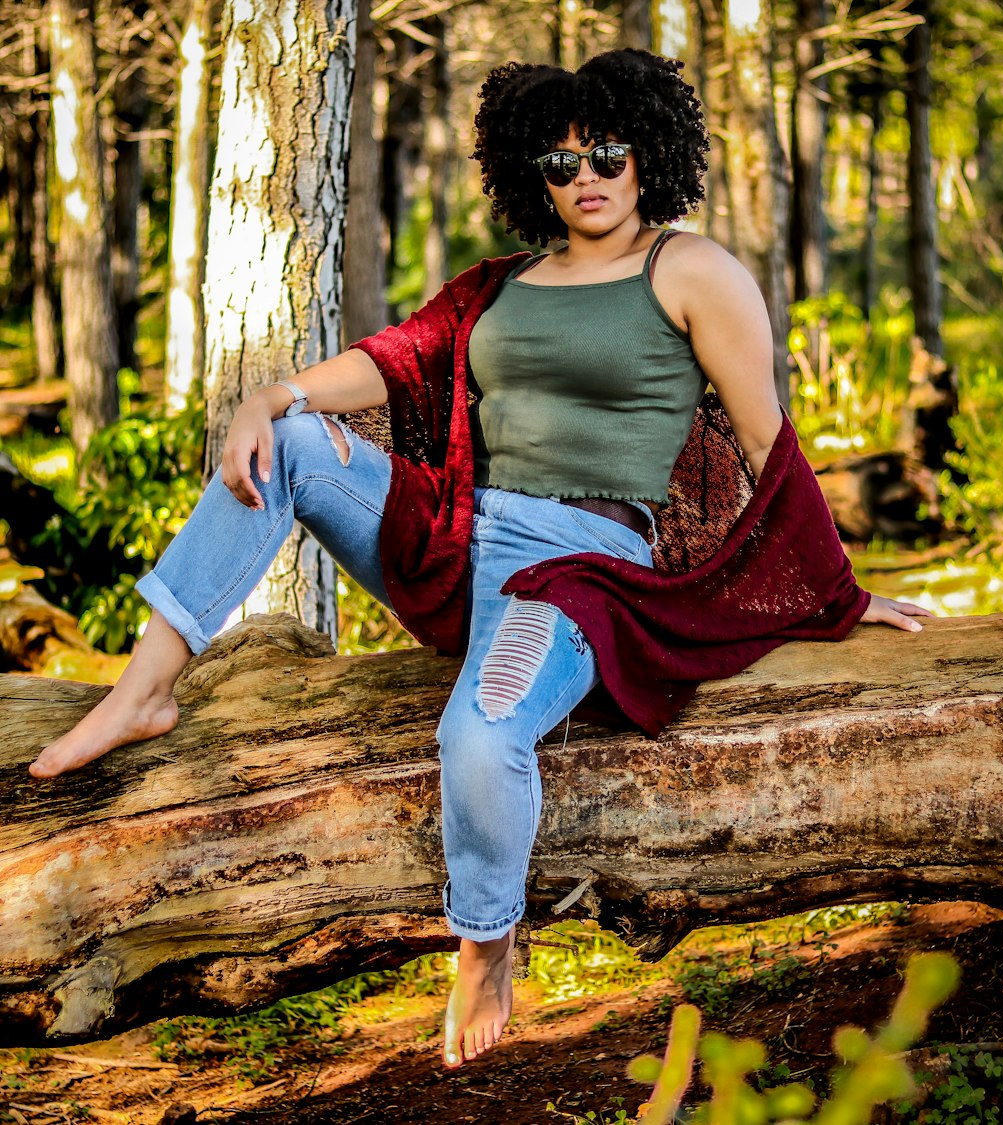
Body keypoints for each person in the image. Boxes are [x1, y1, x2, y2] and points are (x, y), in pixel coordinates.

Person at [28, 49, 929, 1069]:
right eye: (558, 159)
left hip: (578, 573)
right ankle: (145, 690)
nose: (584, 175)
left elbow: (769, 439)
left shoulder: (688, 270)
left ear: (650, 156)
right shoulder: (497, 286)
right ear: (526, 172)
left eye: (608, 153)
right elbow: (392, 360)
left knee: (480, 731)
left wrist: (838, 590)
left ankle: (486, 945)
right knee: (287, 444)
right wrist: (266, 398)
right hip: (456, 540)